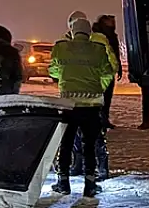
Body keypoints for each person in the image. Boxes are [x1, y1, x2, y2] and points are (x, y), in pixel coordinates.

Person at [49, 13, 115, 197]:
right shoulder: (99, 49)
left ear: (72, 31)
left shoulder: (61, 47)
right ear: (89, 32)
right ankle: (90, 184)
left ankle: (63, 182)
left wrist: (65, 79)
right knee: (89, 145)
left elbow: (52, 70)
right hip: (92, 105)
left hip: (68, 105)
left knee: (66, 143)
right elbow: (108, 72)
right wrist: (97, 88)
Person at [93, 14, 122, 129]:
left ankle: (104, 119)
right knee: (100, 97)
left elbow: (115, 53)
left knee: (107, 97)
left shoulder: (112, 35)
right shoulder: (99, 36)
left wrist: (118, 67)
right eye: (111, 21)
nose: (114, 23)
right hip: (101, 70)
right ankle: (100, 120)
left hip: (109, 70)